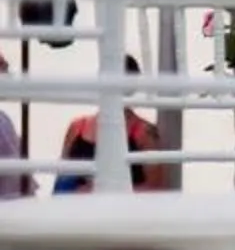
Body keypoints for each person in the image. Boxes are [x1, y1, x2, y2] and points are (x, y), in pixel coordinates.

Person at [52, 56, 169, 193]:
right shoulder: (77, 127)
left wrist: (100, 191)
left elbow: (155, 190)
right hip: (77, 205)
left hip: (122, 206)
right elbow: (60, 185)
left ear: (132, 86)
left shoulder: (145, 134)